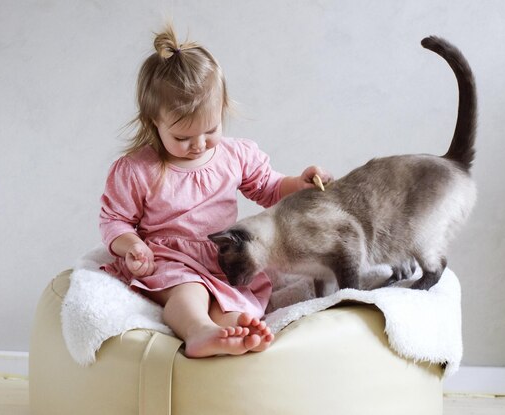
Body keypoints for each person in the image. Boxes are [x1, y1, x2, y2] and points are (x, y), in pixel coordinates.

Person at [99, 23, 332, 358]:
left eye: (210, 130)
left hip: (221, 255)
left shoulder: (235, 155)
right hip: (168, 258)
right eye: (182, 138)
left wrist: (300, 184)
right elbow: (114, 221)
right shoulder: (138, 169)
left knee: (232, 296)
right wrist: (132, 245)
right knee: (189, 290)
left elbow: (267, 187)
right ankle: (199, 331)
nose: (198, 145)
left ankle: (234, 326)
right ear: (154, 123)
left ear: (222, 109)